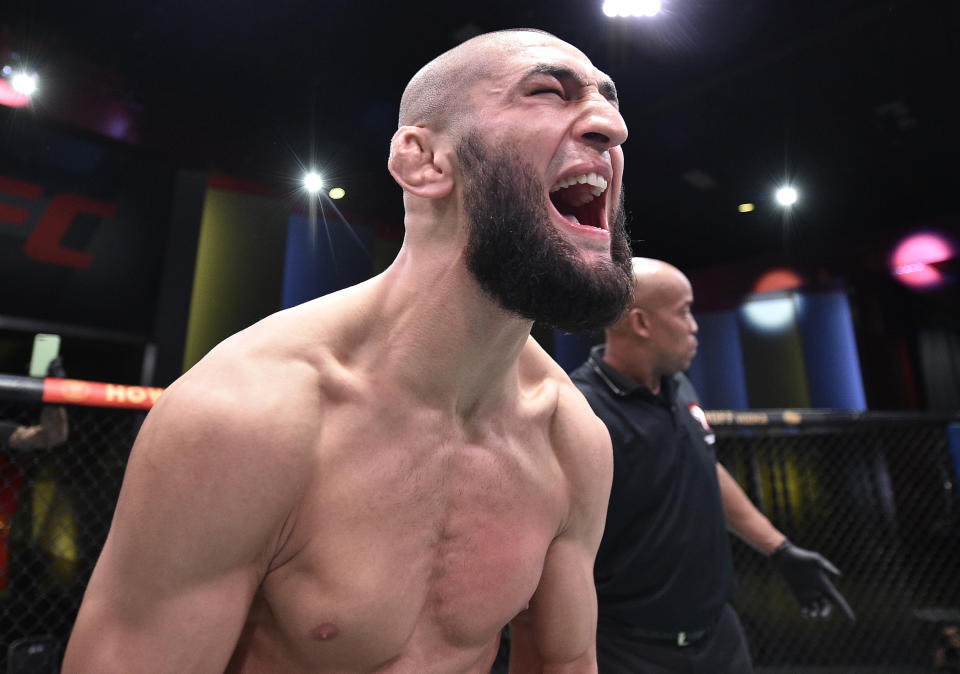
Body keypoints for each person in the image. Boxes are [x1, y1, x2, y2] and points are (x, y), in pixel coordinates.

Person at [63, 29, 635, 673]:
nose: (611, 126)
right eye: (546, 92)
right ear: (424, 162)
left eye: (609, 102)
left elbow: (564, 662)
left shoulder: (571, 439)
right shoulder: (247, 418)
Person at [570, 257, 854, 674]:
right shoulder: (582, 410)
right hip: (628, 651)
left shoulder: (677, 383)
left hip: (719, 636)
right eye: (684, 311)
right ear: (641, 323)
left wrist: (778, 547)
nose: (695, 325)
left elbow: (701, 463)